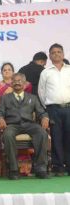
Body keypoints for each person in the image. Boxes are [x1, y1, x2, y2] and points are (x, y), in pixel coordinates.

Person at [0, 73, 49, 180]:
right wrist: (0, 119)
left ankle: (40, 168)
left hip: (29, 125)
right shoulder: (5, 98)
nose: (17, 83)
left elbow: (41, 112)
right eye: (14, 81)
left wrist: (45, 118)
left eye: (20, 81)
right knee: (7, 134)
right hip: (12, 125)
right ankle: (14, 169)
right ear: (11, 83)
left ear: (24, 84)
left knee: (42, 133)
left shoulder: (32, 98)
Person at [0, 62, 33, 176]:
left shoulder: (22, 84)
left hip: (23, 118)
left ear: (13, 72)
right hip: (4, 117)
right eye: (4, 70)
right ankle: (8, 168)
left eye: (9, 69)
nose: (7, 71)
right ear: (1, 73)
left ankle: (24, 169)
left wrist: (17, 85)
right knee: (6, 134)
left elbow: (26, 98)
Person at [38, 43, 70, 176]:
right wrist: (48, 109)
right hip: (53, 109)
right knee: (56, 137)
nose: (56, 54)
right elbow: (41, 92)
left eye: (59, 52)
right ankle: (58, 166)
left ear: (63, 54)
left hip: (69, 108)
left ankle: (68, 164)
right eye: (53, 52)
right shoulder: (45, 72)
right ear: (50, 56)